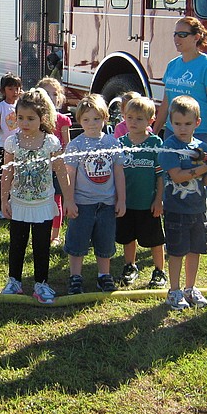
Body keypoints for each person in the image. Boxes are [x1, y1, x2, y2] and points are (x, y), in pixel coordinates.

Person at [0, 90, 76, 304]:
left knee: (41, 245)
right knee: (17, 244)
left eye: (30, 118)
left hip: (43, 203)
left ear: (42, 118)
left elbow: (61, 172)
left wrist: (69, 199)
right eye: (21, 118)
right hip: (19, 203)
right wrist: (4, 199)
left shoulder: (50, 142)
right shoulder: (13, 142)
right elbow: (7, 173)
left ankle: (41, 283)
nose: (24, 123)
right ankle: (14, 281)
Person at [158, 96, 207, 309]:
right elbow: (177, 176)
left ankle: (190, 288)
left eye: (187, 124)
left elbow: (206, 181)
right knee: (177, 251)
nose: (182, 128)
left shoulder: (202, 147)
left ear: (197, 122)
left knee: (195, 250)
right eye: (177, 124)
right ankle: (174, 290)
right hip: (176, 210)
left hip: (198, 209)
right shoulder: (169, 147)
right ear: (170, 122)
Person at [63, 94, 126, 294]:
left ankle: (103, 275)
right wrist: (69, 201)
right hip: (83, 203)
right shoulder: (76, 145)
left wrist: (121, 199)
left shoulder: (112, 143)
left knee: (105, 241)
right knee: (77, 240)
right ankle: (75, 276)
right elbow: (69, 175)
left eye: (96, 119)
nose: (92, 124)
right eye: (86, 119)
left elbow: (118, 172)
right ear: (79, 121)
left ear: (105, 118)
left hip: (106, 203)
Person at [116, 95, 167, 289]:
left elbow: (161, 175)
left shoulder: (155, 144)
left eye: (139, 119)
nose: (133, 122)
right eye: (129, 117)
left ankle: (159, 271)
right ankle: (130, 266)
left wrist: (159, 200)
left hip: (148, 203)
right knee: (128, 237)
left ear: (150, 121)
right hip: (127, 202)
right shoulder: (120, 143)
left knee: (155, 239)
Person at [153, 16, 207, 151]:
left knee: (197, 172)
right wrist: (154, 134)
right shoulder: (172, 65)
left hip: (200, 133)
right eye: (175, 34)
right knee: (171, 171)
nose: (176, 39)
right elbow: (166, 104)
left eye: (182, 35)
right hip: (172, 133)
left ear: (196, 37)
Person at [37, 77, 72, 245]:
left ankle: (55, 235)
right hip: (40, 167)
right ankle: (40, 230)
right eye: (47, 93)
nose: (51, 97)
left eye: (55, 93)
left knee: (57, 199)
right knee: (41, 199)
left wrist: (59, 162)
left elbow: (67, 145)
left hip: (56, 167)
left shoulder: (63, 120)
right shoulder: (36, 119)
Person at [0, 73, 22, 218]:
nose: (15, 92)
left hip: (19, 147)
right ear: (4, 90)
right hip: (3, 146)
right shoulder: (0, 106)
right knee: (3, 177)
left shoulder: (22, 106)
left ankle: (14, 203)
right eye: (11, 89)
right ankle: (0, 206)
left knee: (16, 176)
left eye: (17, 88)